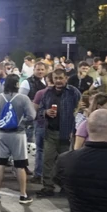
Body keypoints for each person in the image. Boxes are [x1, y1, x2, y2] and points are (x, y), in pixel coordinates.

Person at [0, 75, 36, 204]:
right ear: (17, 84)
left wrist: (1, 122)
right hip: (18, 135)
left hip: (2, 134)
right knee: (20, 165)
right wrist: (22, 123)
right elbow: (32, 115)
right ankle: (23, 195)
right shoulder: (23, 99)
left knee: (0, 164)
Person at [37, 69, 82, 197]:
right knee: (48, 160)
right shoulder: (48, 93)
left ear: (66, 78)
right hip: (50, 132)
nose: (58, 81)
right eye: (56, 78)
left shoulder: (73, 92)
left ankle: (65, 187)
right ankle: (48, 187)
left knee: (66, 162)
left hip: (67, 134)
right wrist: (46, 112)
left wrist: (76, 131)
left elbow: (80, 109)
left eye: (60, 78)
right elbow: (40, 109)